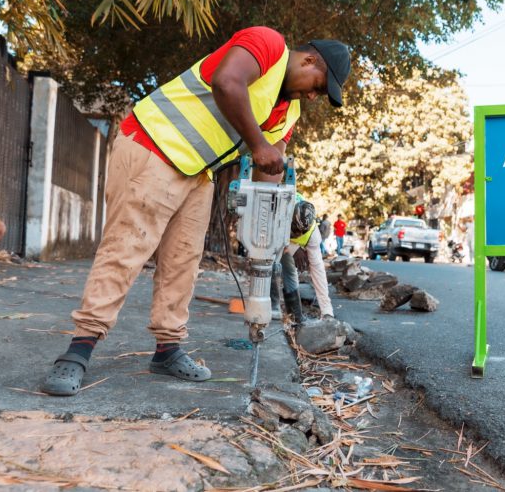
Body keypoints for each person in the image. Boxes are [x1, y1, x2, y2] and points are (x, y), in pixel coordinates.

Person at [40, 26, 351, 396]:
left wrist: (270, 222)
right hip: (154, 145)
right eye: (318, 84)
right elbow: (227, 82)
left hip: (198, 172)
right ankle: (78, 350)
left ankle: (167, 350)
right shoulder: (268, 44)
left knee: (183, 262)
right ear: (309, 59)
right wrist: (258, 145)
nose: (315, 95)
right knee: (126, 250)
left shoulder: (291, 111)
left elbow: (272, 164)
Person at [279, 197, 333, 323]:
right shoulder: (279, 212)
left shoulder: (313, 234)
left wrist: (327, 311)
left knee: (293, 270)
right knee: (279, 268)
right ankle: (274, 307)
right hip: (276, 240)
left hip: (299, 242)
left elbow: (318, 272)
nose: (297, 235)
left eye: (301, 232)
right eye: (295, 230)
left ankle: (295, 316)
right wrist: (293, 249)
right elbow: (269, 239)